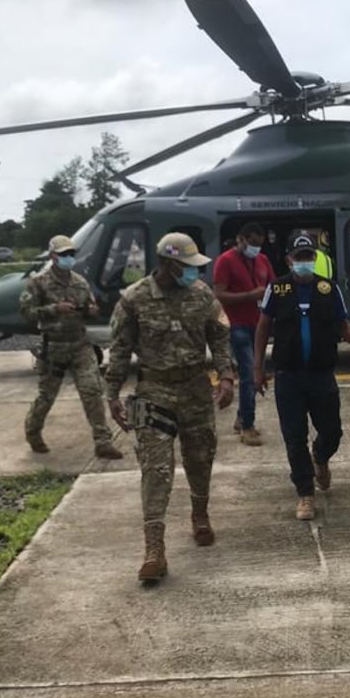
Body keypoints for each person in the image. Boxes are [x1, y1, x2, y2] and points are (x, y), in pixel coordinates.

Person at [105, 232, 236, 584]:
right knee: (156, 468)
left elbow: (220, 336)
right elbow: (118, 349)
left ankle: (200, 515)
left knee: (200, 457)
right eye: (187, 266)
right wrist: (112, 394)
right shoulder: (134, 300)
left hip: (195, 389)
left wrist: (226, 376)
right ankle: (154, 550)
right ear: (167, 263)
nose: (194, 273)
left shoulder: (202, 295)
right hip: (153, 390)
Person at [254, 231, 350, 521]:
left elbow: (342, 324)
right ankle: (305, 492)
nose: (304, 262)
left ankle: (321, 457)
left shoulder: (328, 288)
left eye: (309, 257)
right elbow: (263, 328)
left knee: (332, 432)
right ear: (289, 258)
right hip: (289, 376)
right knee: (294, 436)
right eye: (299, 257)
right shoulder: (277, 289)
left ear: (314, 258)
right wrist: (256, 369)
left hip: (321, 374)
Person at [19, 235, 123, 460]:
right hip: (54, 346)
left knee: (92, 391)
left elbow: (89, 305)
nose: (69, 258)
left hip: (80, 344)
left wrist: (90, 310)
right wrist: (54, 309)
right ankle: (33, 432)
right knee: (47, 395)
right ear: (53, 256)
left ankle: (102, 441)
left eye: (71, 254)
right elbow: (26, 313)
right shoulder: (38, 283)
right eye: (64, 254)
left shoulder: (79, 282)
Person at [212, 222, 274, 447]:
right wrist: (250, 295)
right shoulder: (225, 262)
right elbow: (219, 294)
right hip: (236, 325)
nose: (256, 249)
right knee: (248, 373)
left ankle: (242, 416)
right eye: (253, 244)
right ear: (241, 240)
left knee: (257, 372)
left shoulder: (263, 261)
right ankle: (248, 425)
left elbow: (272, 287)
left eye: (260, 245)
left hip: (258, 325)